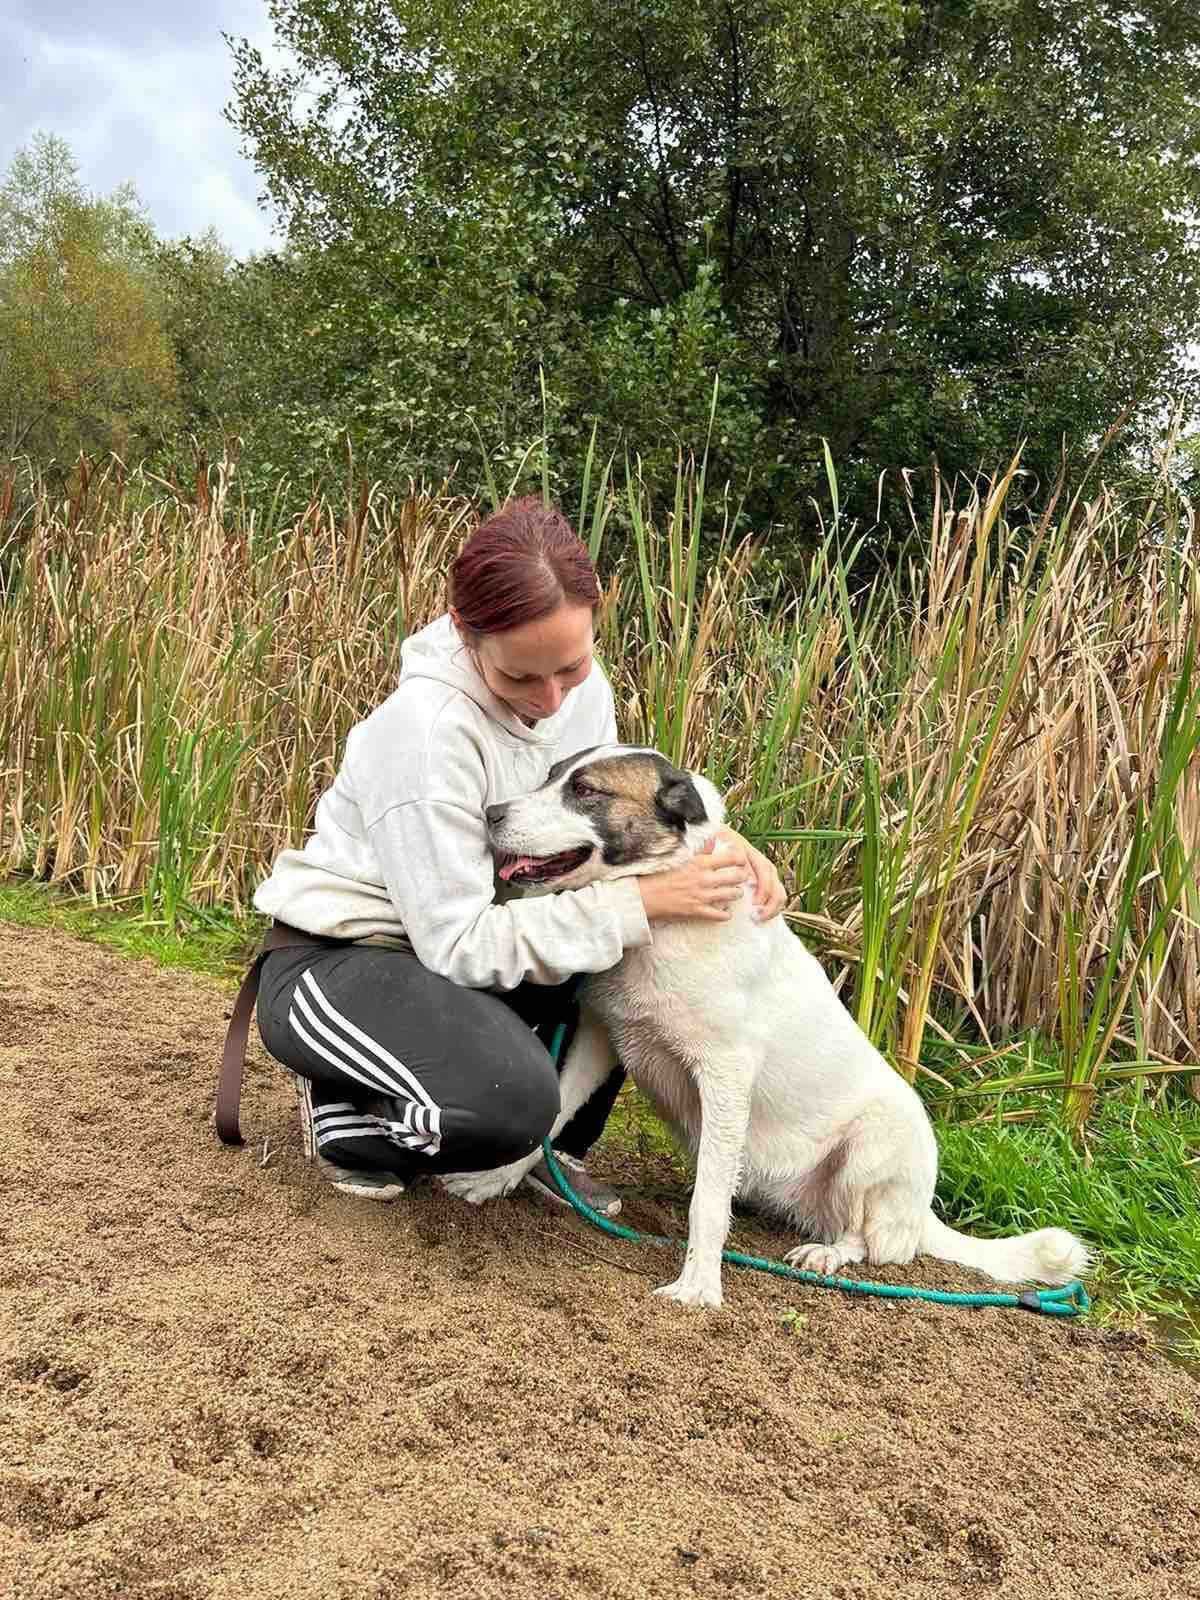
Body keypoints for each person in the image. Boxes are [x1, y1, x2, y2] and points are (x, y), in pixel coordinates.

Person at [251, 495, 786, 1212]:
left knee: (644, 944)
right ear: (466, 637)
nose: (554, 700)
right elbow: (461, 944)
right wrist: (641, 901)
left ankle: (551, 1152)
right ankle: (352, 1105)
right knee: (502, 1107)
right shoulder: (425, 734)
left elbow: (622, 805)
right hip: (349, 960)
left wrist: (715, 840)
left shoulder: (577, 688)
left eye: (571, 667)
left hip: (468, 962)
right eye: (521, 679)